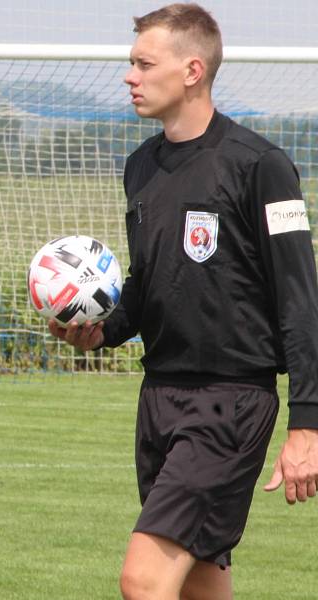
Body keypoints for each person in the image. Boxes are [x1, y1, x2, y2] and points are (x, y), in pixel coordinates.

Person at [47, 4, 318, 600]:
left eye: (144, 64)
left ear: (192, 69)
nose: (130, 76)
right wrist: (103, 330)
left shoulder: (262, 166)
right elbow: (150, 284)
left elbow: (301, 300)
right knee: (199, 585)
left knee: (143, 581)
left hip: (230, 402)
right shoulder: (141, 166)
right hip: (159, 397)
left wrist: (308, 423)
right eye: (131, 63)